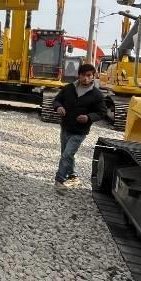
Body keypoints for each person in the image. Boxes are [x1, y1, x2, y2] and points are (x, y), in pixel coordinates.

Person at [52, 62, 106, 192]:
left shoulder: (97, 95)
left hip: (80, 131)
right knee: (66, 154)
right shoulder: (69, 88)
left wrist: (88, 117)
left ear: (93, 76)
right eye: (83, 75)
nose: (86, 78)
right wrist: (58, 106)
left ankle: (59, 180)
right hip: (65, 127)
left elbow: (102, 112)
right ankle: (73, 176)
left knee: (67, 154)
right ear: (79, 75)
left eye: (89, 75)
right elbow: (57, 100)